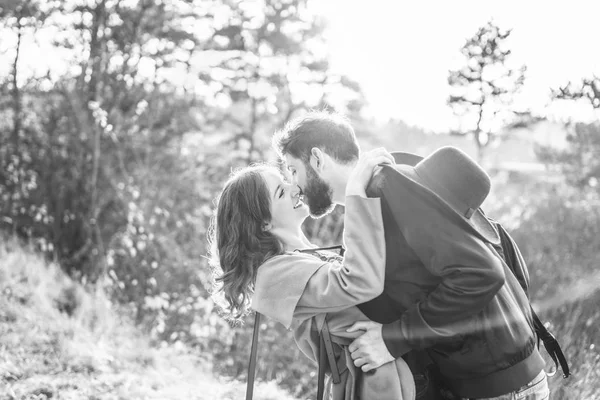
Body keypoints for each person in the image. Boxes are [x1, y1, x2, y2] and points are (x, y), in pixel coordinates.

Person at [272, 110, 550, 400]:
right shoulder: (372, 199)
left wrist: (391, 339)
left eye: (293, 170)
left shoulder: (390, 186)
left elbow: (479, 273)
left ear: (317, 159)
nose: (294, 185)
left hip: (499, 388)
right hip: (482, 383)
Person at [208, 148, 416, 400]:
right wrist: (355, 191)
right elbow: (359, 282)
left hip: (386, 371)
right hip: (367, 384)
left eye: (287, 180)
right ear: (264, 223)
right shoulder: (275, 274)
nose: (295, 188)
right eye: (282, 191)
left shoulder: (303, 256)